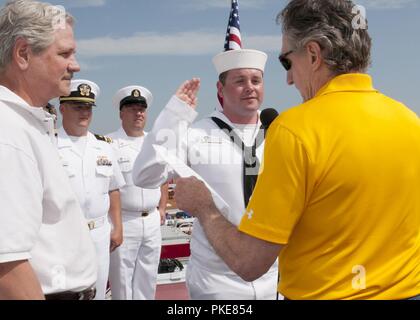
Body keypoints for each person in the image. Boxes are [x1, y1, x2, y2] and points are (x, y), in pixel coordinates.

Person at [174, 0, 420, 300]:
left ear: (314, 54)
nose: (289, 79)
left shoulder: (295, 130)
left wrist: (204, 208)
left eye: (286, 62)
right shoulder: (410, 122)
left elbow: (249, 262)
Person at [132, 51, 279, 299]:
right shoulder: (195, 134)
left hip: (272, 274)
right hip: (217, 281)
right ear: (220, 89)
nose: (249, 88)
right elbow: (145, 175)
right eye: (239, 81)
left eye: (256, 80)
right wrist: (173, 118)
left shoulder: (279, 133)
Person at [0, 0, 97, 300]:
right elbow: (7, 265)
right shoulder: (8, 131)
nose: (75, 65)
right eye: (64, 53)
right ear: (23, 54)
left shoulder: (27, 123)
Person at [57, 79, 125, 300]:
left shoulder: (104, 146)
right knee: (66, 292)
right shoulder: (49, 143)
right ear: (62, 108)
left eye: (87, 107)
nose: (84, 112)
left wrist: (118, 227)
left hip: (99, 233)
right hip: (63, 234)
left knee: (97, 291)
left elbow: (113, 189)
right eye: (78, 107)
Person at [107, 85, 168, 300]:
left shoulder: (155, 142)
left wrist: (162, 208)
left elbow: (163, 178)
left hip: (151, 220)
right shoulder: (109, 143)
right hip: (125, 219)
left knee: (148, 278)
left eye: (142, 109)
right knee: (122, 282)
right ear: (121, 113)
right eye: (132, 108)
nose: (138, 113)